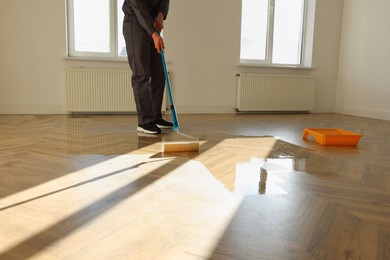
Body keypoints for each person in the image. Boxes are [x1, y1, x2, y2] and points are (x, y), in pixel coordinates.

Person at [122, 0, 173, 134]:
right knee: (141, 73)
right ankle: (144, 121)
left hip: (152, 22)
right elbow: (138, 6)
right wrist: (154, 34)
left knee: (159, 74)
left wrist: (161, 15)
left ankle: (155, 117)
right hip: (135, 22)